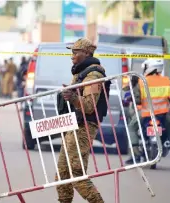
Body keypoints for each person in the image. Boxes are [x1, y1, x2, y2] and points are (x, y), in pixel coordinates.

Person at [56, 38, 108, 203]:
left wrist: (71, 97)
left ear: (86, 53)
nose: (72, 56)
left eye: (75, 52)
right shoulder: (81, 73)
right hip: (74, 125)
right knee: (63, 174)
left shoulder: (93, 74)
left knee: (75, 174)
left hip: (83, 128)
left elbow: (89, 106)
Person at [126, 59, 170, 167]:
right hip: (163, 114)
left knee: (132, 127)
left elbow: (137, 100)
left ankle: (136, 155)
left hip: (146, 114)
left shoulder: (142, 82)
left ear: (150, 68)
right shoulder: (167, 81)